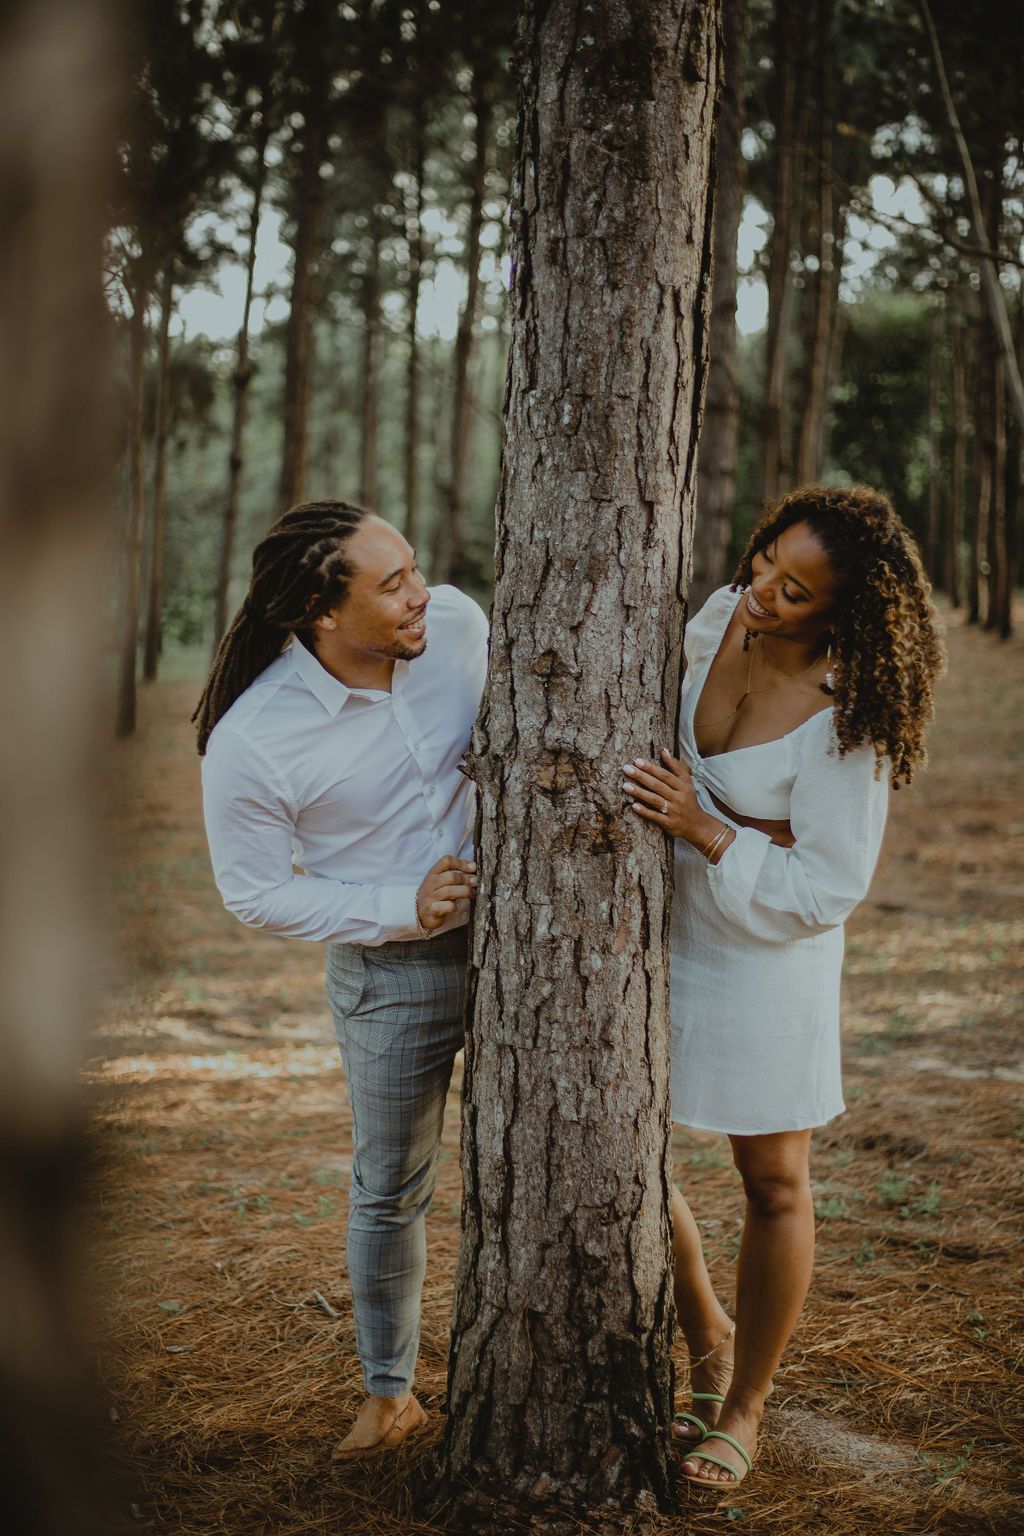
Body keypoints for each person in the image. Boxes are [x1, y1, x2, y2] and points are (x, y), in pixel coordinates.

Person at [620, 485, 944, 1490]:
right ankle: (702, 1320)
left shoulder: (847, 719)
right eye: (763, 563)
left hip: (767, 958)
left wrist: (713, 830)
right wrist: (723, 827)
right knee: (619, 1144)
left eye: (793, 590)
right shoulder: (717, 617)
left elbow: (828, 887)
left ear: (842, 613)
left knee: (771, 1183)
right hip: (655, 931)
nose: (761, 592)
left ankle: (745, 1402)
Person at [194, 501, 488, 1460]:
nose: (423, 595)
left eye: (414, 568)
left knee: (593, 1140)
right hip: (390, 977)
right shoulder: (255, 740)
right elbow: (253, 894)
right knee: (390, 1188)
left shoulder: (459, 632)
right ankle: (389, 1393)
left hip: (532, 953)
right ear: (322, 612)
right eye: (394, 583)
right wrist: (400, 906)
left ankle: (703, 1333)